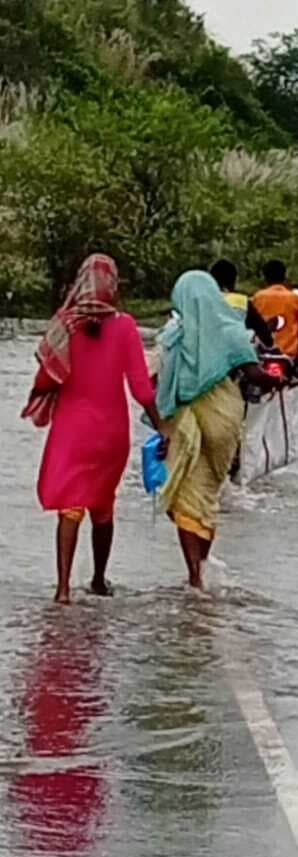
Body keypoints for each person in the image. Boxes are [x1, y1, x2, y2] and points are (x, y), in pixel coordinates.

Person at [21, 253, 164, 605]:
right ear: (113, 286)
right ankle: (99, 581)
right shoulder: (126, 326)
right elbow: (141, 389)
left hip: (71, 430)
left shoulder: (65, 324)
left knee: (70, 506)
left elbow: (46, 377)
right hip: (110, 431)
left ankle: (63, 589)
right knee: (103, 507)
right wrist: (162, 426)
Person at [155, 270, 276, 590]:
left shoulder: (173, 335)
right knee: (209, 491)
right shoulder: (232, 330)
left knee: (184, 494)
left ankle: (194, 574)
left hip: (187, 421)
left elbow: (157, 381)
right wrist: (276, 379)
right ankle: (202, 567)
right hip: (225, 418)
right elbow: (254, 373)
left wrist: (161, 425)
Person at [252, 260, 298, 361]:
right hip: (288, 354)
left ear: (265, 278)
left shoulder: (257, 298)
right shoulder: (294, 298)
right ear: (284, 277)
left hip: (262, 353)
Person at [210, 258, 274, 348]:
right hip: (239, 354)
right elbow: (262, 331)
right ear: (234, 280)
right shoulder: (242, 301)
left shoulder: (204, 301)